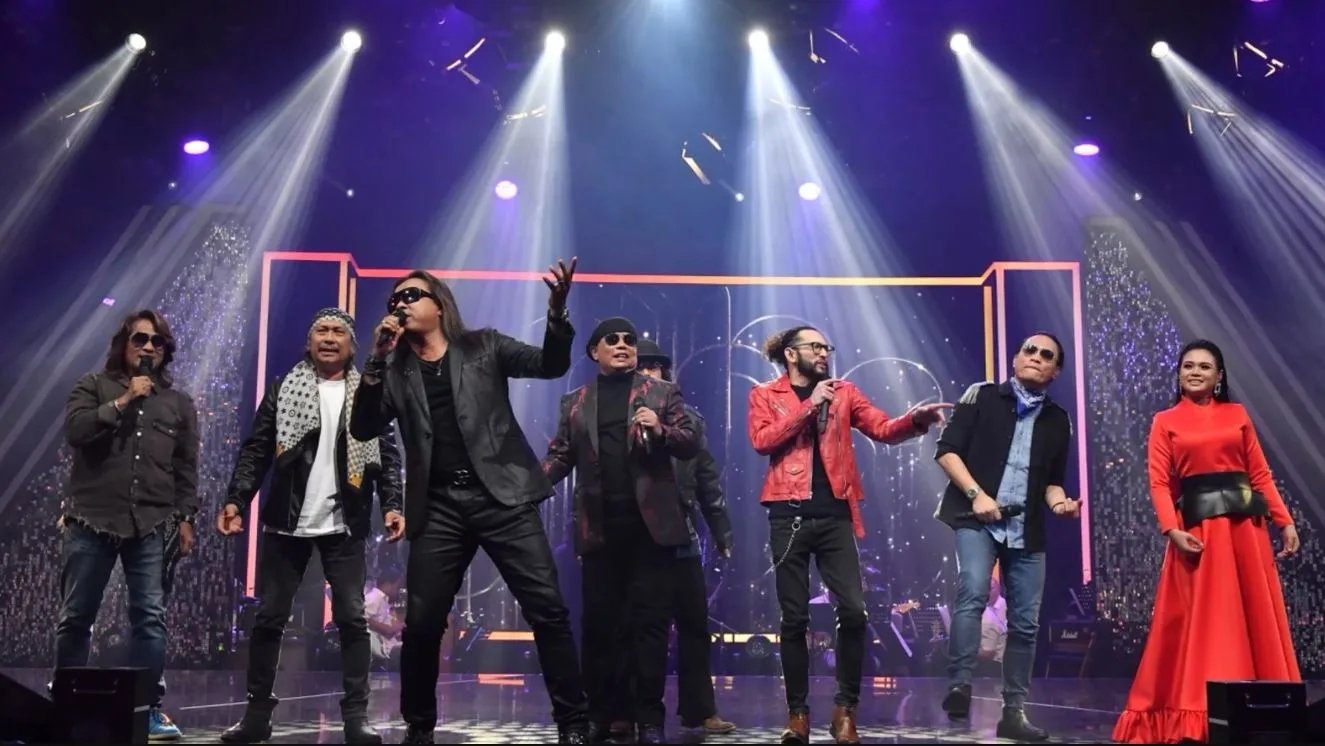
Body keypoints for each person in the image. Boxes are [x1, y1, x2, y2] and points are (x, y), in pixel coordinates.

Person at [350, 261, 589, 745]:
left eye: (412, 295)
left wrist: (557, 314)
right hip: (439, 506)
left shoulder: (484, 346)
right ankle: (419, 728)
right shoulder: (394, 371)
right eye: (395, 299)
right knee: (422, 625)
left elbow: (550, 365)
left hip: (502, 496)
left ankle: (574, 724)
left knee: (548, 610)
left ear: (439, 305)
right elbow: (363, 426)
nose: (402, 304)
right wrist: (375, 360)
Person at [748, 325, 949, 745]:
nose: (824, 353)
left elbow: (882, 427)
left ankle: (845, 711)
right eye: (815, 347)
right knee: (794, 618)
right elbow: (763, 441)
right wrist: (808, 407)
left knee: (855, 612)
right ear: (791, 354)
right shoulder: (765, 394)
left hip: (836, 516)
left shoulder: (844, 393)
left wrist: (915, 420)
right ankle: (798, 715)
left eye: (827, 347)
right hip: (787, 515)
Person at [216, 308, 405, 745]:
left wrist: (393, 505)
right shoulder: (284, 388)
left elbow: (388, 456)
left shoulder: (369, 393)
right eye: (321, 330)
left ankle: (356, 717)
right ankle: (257, 716)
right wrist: (236, 499)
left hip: (345, 523)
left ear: (352, 346)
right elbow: (257, 449)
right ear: (308, 342)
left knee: (353, 620)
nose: (329, 337)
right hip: (288, 521)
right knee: (269, 619)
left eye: (339, 331)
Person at [1113, 339, 1301, 744]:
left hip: (1245, 531)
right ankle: (1195, 714)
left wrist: (1284, 521)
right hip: (1199, 533)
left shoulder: (1237, 414)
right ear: (1179, 373)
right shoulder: (1165, 421)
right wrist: (1171, 529)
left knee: (1250, 613)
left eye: (1204, 366)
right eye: (1188, 365)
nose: (1195, 371)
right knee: (1206, 619)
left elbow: (1260, 474)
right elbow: (1159, 482)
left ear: (1218, 377)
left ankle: (1264, 710)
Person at [542, 319, 703, 744]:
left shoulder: (661, 393)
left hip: (651, 531)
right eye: (612, 340)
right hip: (599, 529)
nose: (622, 345)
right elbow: (560, 455)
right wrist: (525, 489)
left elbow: (691, 441)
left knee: (651, 627)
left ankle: (649, 719)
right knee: (599, 626)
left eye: (629, 340)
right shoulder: (576, 402)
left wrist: (661, 430)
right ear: (594, 351)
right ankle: (599, 714)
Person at [56, 309, 198, 741]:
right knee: (77, 617)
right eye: (140, 339)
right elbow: (76, 431)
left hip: (151, 523)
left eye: (157, 342)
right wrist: (122, 401)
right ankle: (65, 704)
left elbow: (185, 468)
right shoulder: (93, 386)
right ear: (124, 344)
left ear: (166, 351)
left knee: (150, 619)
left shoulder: (178, 404)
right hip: (92, 519)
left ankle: (148, 708)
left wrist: (186, 517)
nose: (149, 347)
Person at [934, 332, 1080, 742]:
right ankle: (960, 685)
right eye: (1029, 350)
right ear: (1015, 358)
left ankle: (1013, 712)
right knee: (974, 589)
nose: (1036, 357)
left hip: (1025, 529)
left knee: (1026, 624)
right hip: (975, 517)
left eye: (1046, 355)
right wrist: (977, 495)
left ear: (1055, 370)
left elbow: (1052, 482)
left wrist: (1061, 504)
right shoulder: (981, 396)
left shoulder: (1058, 419)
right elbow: (947, 451)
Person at [635, 338, 736, 736]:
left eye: (655, 368)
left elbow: (707, 479)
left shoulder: (689, 421)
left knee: (694, 624)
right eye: (642, 368)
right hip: (636, 538)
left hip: (681, 535)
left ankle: (700, 710)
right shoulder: (614, 415)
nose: (649, 374)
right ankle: (641, 712)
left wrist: (722, 530)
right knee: (644, 628)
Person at [365, 567, 405, 669]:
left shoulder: (384, 601)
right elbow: (362, 618)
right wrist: (388, 629)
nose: (398, 591)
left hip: (391, 646)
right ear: (387, 584)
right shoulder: (374, 598)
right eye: (397, 587)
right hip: (386, 651)